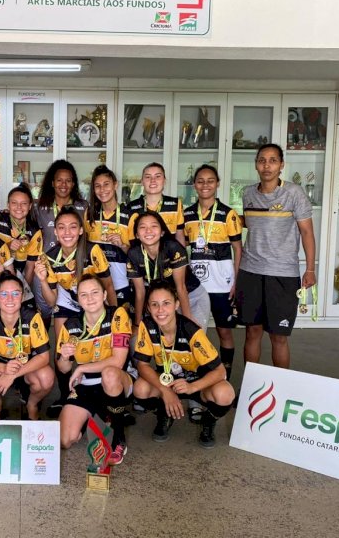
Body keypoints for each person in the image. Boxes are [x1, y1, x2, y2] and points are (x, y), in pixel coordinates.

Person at [236, 143, 316, 369]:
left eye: (272, 160)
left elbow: (307, 232)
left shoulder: (294, 193)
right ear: (256, 165)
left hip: (282, 275)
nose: (267, 165)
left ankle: (280, 389)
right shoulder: (248, 194)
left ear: (281, 165)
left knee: (278, 336)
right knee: (252, 332)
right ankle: (252, 387)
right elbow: (251, 224)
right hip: (250, 272)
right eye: (262, 160)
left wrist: (310, 269)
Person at [32, 206, 115, 418]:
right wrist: (42, 280)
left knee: (107, 341)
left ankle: (113, 394)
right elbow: (51, 302)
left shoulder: (92, 251)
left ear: (80, 230)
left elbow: (107, 285)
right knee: (63, 348)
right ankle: (66, 395)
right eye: (61, 228)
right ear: (56, 232)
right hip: (68, 299)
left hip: (93, 298)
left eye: (72, 227)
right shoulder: (49, 258)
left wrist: (114, 314)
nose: (67, 232)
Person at [132, 280, 235, 448]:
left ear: (176, 304)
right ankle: (165, 414)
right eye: (154, 305)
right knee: (140, 388)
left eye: (166, 303)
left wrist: (192, 387)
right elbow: (142, 365)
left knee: (225, 394)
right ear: (148, 308)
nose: (160, 310)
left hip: (196, 383)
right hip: (167, 381)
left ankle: (208, 420)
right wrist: (165, 391)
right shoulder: (147, 325)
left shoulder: (191, 330)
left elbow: (220, 371)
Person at [55, 276, 133, 465]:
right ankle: (97, 417)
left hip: (117, 380)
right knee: (65, 440)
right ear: (78, 300)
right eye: (84, 295)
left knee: (109, 374)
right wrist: (65, 356)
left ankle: (118, 436)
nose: (90, 299)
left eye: (95, 292)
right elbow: (63, 368)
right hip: (87, 385)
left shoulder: (117, 315)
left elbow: (118, 361)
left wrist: (81, 367)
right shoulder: (71, 326)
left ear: (105, 294)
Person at [183, 165, 243, 379]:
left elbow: (238, 249)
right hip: (195, 286)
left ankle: (223, 374)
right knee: (194, 331)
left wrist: (237, 282)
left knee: (224, 331)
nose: (205, 185)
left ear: (217, 184)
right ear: (194, 185)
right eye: (200, 180)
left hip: (222, 285)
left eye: (210, 180)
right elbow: (181, 250)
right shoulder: (187, 214)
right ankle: (196, 373)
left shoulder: (228, 214)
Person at [0, 272, 54, 421]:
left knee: (46, 378)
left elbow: (44, 357)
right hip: (0, 365)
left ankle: (32, 404)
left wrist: (12, 374)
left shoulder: (32, 317)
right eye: (4, 294)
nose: (10, 299)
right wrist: (4, 369)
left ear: (23, 296)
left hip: (27, 365)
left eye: (15, 293)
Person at [127, 210, 210, 331]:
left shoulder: (173, 247)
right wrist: (137, 325)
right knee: (159, 342)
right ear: (136, 235)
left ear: (162, 232)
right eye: (143, 227)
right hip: (161, 301)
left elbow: (181, 288)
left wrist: (186, 324)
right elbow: (140, 292)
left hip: (191, 297)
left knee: (193, 340)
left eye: (154, 226)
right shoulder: (134, 254)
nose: (148, 231)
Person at [30, 160, 88, 321]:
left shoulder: (83, 206)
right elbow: (24, 227)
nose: (64, 184)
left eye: (68, 180)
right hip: (47, 267)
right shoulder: (40, 207)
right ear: (52, 183)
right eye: (59, 180)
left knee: (77, 313)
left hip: (74, 268)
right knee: (45, 311)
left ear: (74, 183)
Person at [84, 165, 132, 310]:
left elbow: (137, 255)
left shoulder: (129, 215)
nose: (102, 189)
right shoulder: (89, 213)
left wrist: (122, 245)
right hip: (95, 282)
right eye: (97, 186)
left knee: (120, 324)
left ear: (115, 185)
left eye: (106, 184)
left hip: (121, 282)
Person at [0, 185, 39, 308]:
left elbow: (30, 267)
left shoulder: (35, 230)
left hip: (19, 278)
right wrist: (7, 247)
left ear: (30, 206)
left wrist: (23, 291)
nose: (19, 207)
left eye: (24, 203)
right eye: (14, 203)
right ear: (8, 205)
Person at [127, 162, 186, 246]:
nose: (153, 180)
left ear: (164, 180)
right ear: (142, 182)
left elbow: (179, 236)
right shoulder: (131, 207)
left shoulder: (175, 204)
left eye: (157, 176)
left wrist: (182, 257)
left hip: (168, 257)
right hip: (140, 257)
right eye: (148, 177)